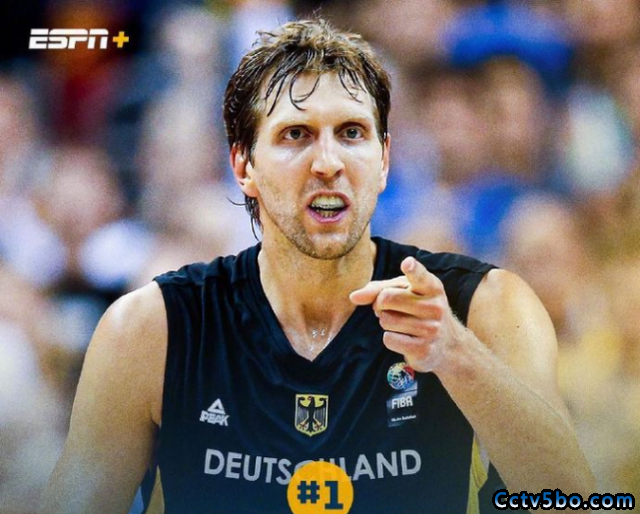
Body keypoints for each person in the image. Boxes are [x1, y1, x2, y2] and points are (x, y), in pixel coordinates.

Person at [41, 19, 594, 514]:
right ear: (243, 164)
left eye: (351, 133)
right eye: (295, 135)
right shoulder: (152, 330)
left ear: (384, 160)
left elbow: (575, 504)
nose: (328, 163)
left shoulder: (484, 307)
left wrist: (458, 356)